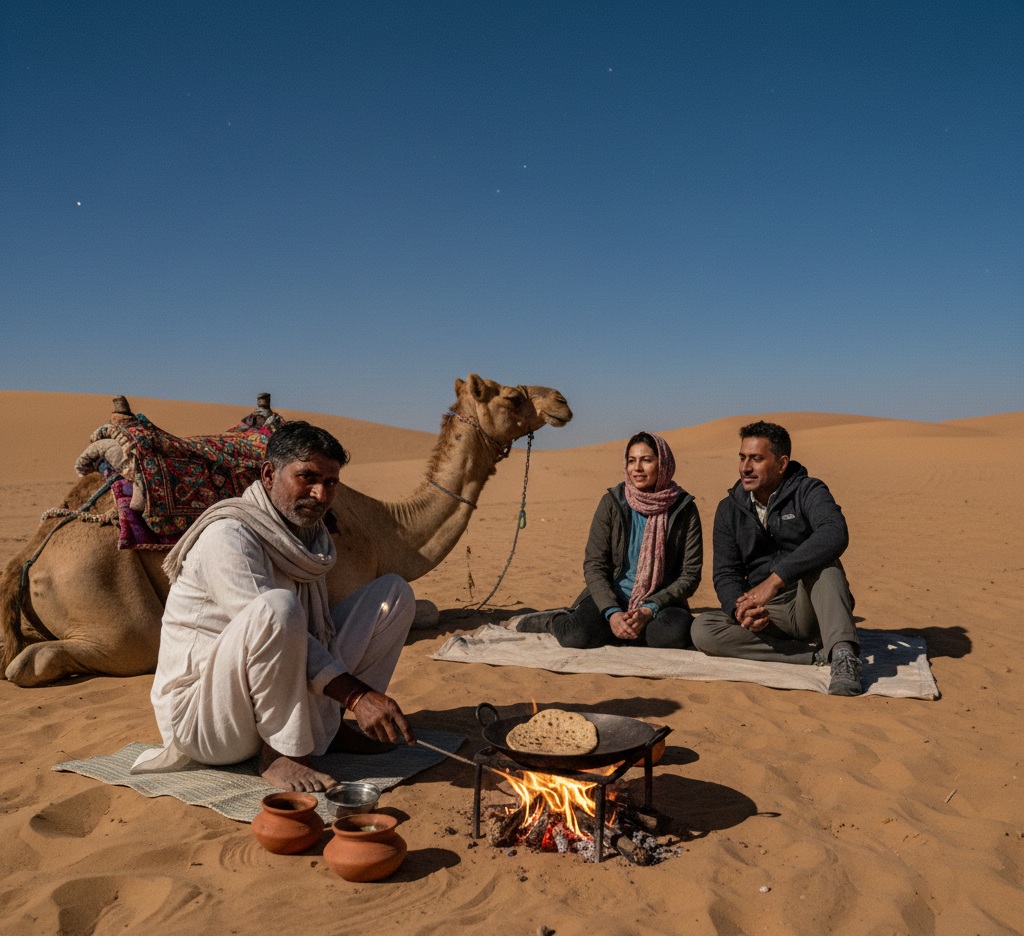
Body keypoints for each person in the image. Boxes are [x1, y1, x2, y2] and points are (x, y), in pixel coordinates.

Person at [131, 421, 417, 791]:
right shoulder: (229, 535)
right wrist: (355, 694)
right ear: (269, 474)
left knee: (393, 594)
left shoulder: (308, 538)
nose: (320, 493)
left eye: (330, 482)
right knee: (277, 608)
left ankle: (329, 729)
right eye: (307, 477)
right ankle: (280, 754)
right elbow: (274, 622)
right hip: (209, 718)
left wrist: (354, 698)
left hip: (277, 695)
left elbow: (303, 636)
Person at [691, 420, 863, 695]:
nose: (745, 467)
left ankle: (843, 655)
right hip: (769, 614)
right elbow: (726, 573)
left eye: (757, 459)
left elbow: (835, 532)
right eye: (743, 457)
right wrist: (740, 610)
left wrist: (775, 580)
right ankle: (811, 656)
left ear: (781, 464)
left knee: (826, 565)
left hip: (810, 603)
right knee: (702, 629)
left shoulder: (808, 491)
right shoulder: (729, 509)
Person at [509, 431, 702, 649]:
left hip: (659, 602)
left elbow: (690, 574)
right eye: (631, 461)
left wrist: (650, 608)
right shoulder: (612, 502)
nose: (637, 468)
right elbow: (595, 565)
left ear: (663, 463)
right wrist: (612, 613)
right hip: (613, 595)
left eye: (646, 460)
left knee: (673, 635)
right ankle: (554, 621)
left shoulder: (683, 509)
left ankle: (621, 630)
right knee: (576, 636)